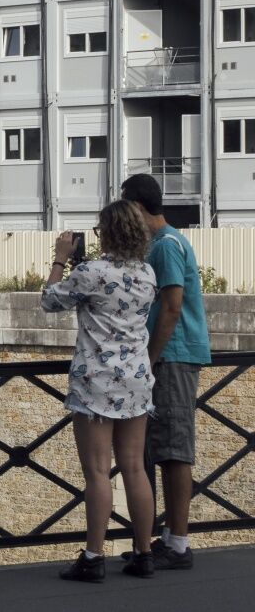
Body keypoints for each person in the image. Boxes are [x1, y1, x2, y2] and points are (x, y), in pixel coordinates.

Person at [42, 200, 159, 582]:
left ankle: (93, 558)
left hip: (96, 382)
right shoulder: (147, 274)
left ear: (105, 232)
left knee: (96, 473)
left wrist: (60, 258)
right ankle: (144, 553)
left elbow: (50, 300)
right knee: (135, 467)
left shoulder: (90, 271)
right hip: (136, 380)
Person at [122, 173, 211, 571]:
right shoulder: (161, 243)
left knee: (174, 449)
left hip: (173, 355)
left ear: (138, 207)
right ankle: (167, 539)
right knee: (164, 446)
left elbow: (172, 306)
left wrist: (150, 358)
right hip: (169, 355)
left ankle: (177, 542)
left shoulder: (167, 246)